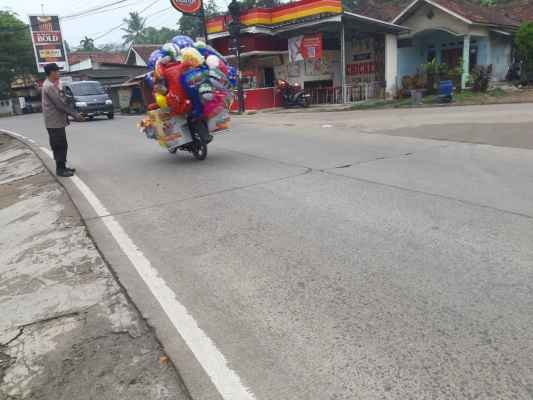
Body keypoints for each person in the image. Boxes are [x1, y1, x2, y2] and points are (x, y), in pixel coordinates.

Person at [41, 63, 82, 177]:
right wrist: (75, 115)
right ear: (52, 73)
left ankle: (63, 167)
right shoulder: (48, 86)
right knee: (59, 145)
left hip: (56, 121)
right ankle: (60, 170)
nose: (59, 73)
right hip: (53, 122)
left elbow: (61, 100)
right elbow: (60, 105)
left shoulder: (52, 85)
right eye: (57, 71)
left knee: (62, 144)